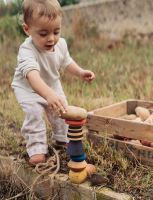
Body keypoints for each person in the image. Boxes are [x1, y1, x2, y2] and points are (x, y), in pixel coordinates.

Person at [11, 0, 95, 165]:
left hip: (52, 84)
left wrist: (79, 72)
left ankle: (62, 138)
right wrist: (48, 95)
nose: (51, 38)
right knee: (34, 114)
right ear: (27, 29)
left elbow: (66, 62)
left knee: (62, 110)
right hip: (28, 88)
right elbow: (33, 77)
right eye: (43, 34)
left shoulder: (61, 44)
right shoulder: (26, 50)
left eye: (56, 32)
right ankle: (36, 148)